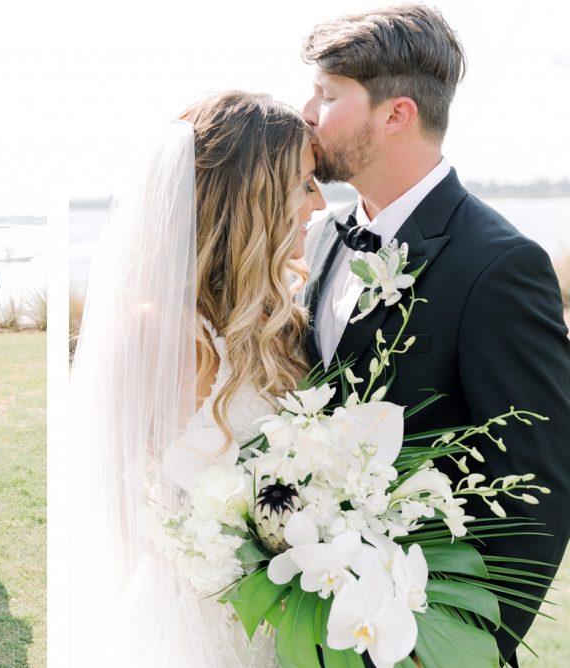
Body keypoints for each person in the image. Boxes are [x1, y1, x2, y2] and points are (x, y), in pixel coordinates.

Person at [300, 5, 570, 664]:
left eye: (329, 95)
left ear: (396, 114)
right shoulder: (322, 236)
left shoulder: (500, 265)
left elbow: (540, 481)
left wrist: (454, 645)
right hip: (313, 622)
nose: (306, 111)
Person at [65, 91, 325, 667]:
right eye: (305, 183)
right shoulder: (154, 331)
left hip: (284, 622)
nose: (319, 201)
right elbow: (112, 509)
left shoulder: (277, 316)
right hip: (188, 629)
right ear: (252, 195)